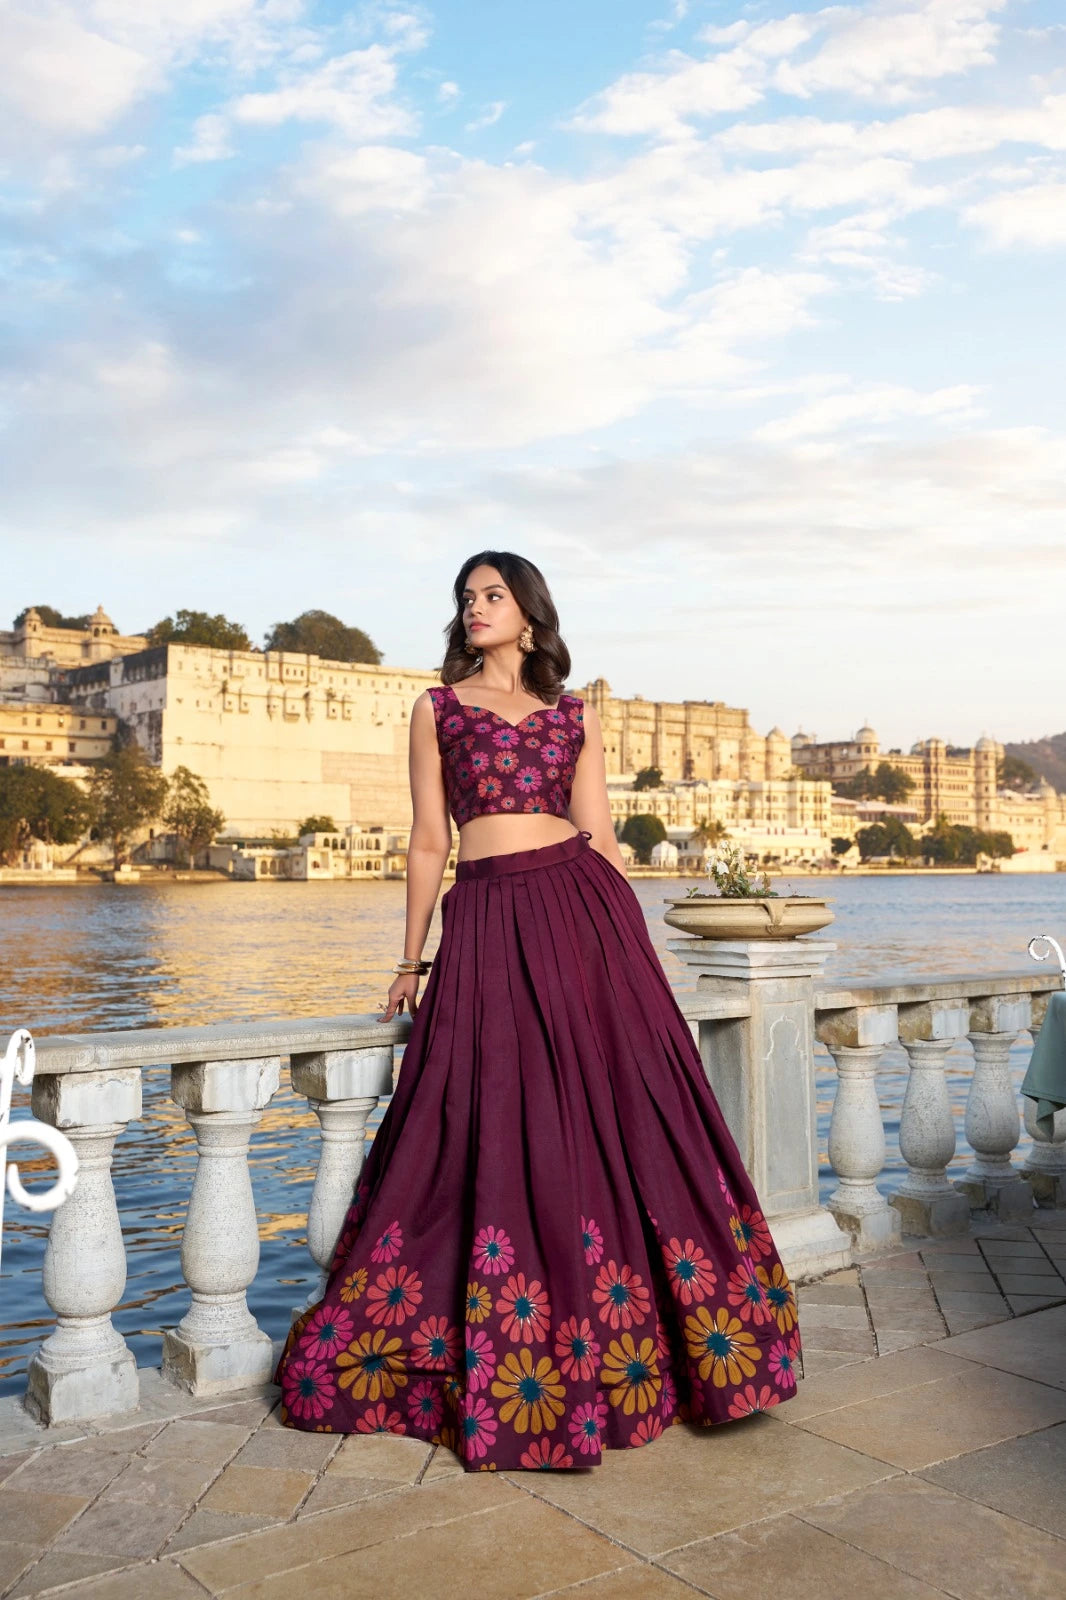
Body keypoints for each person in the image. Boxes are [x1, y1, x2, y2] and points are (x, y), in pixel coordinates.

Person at [275, 551, 800, 1469]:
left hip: (584, 914)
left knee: (625, 1116)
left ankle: (682, 1351)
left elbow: (597, 836)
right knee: (483, 1114)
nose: (475, 608)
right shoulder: (436, 708)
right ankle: (510, 1355)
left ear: (528, 613)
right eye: (466, 598)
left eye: (492, 596)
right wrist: (410, 958)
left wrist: (630, 953)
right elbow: (430, 838)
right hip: (484, 917)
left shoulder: (574, 714)